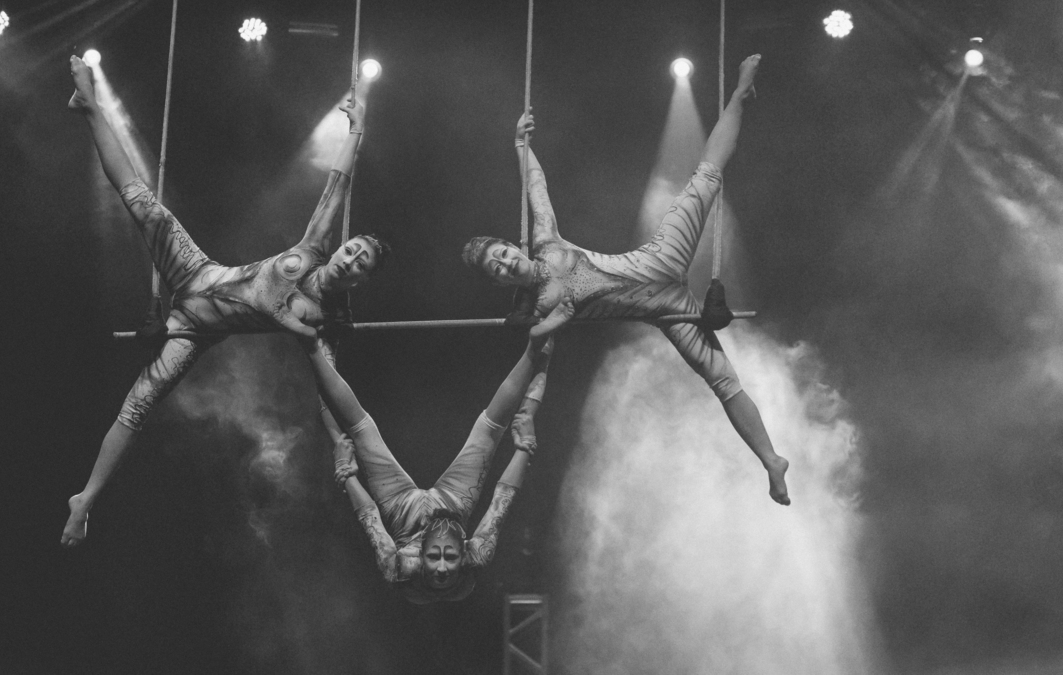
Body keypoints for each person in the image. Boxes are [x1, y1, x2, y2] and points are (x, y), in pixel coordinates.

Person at [61, 56, 390, 546]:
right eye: (353, 250)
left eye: (361, 264)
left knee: (138, 405)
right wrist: (357, 131)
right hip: (197, 270)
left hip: (195, 329)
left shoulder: (322, 321)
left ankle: (85, 499)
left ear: (360, 281)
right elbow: (336, 186)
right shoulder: (312, 249)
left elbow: (331, 395)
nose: (351, 260)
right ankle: (90, 107)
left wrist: (340, 441)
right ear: (341, 248)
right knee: (145, 207)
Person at [461, 55, 790, 505]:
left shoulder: (547, 243)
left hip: (658, 259)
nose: (503, 264)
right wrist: (529, 408)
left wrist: (520, 146)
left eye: (501, 254)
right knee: (723, 382)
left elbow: (537, 188)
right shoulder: (540, 311)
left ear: (511, 246)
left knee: (706, 178)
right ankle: (772, 460)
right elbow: (537, 367)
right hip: (667, 311)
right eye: (495, 269)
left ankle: (739, 95)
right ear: (498, 283)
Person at [304, 329, 557, 603]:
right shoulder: (478, 555)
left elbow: (369, 516)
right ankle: (538, 344)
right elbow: (503, 497)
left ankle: (316, 347)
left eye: (435, 557)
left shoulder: (398, 568)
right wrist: (525, 446)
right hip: (454, 504)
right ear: (464, 552)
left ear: (420, 553)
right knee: (491, 429)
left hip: (403, 513)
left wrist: (346, 472)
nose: (442, 568)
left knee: (358, 431)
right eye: (449, 557)